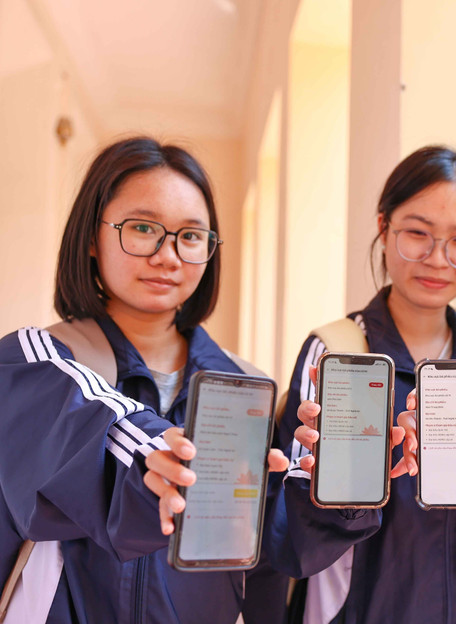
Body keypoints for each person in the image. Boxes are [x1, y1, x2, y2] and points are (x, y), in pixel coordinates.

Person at [0, 136, 307, 623]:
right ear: (90, 238)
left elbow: (270, 561)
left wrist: (330, 487)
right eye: (143, 228)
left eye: (190, 236)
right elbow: (95, 445)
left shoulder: (246, 386)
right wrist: (153, 461)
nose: (169, 256)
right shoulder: (35, 362)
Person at [275, 145, 456, 623]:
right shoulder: (337, 351)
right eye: (417, 233)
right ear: (384, 229)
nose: (437, 259)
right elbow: (290, 522)